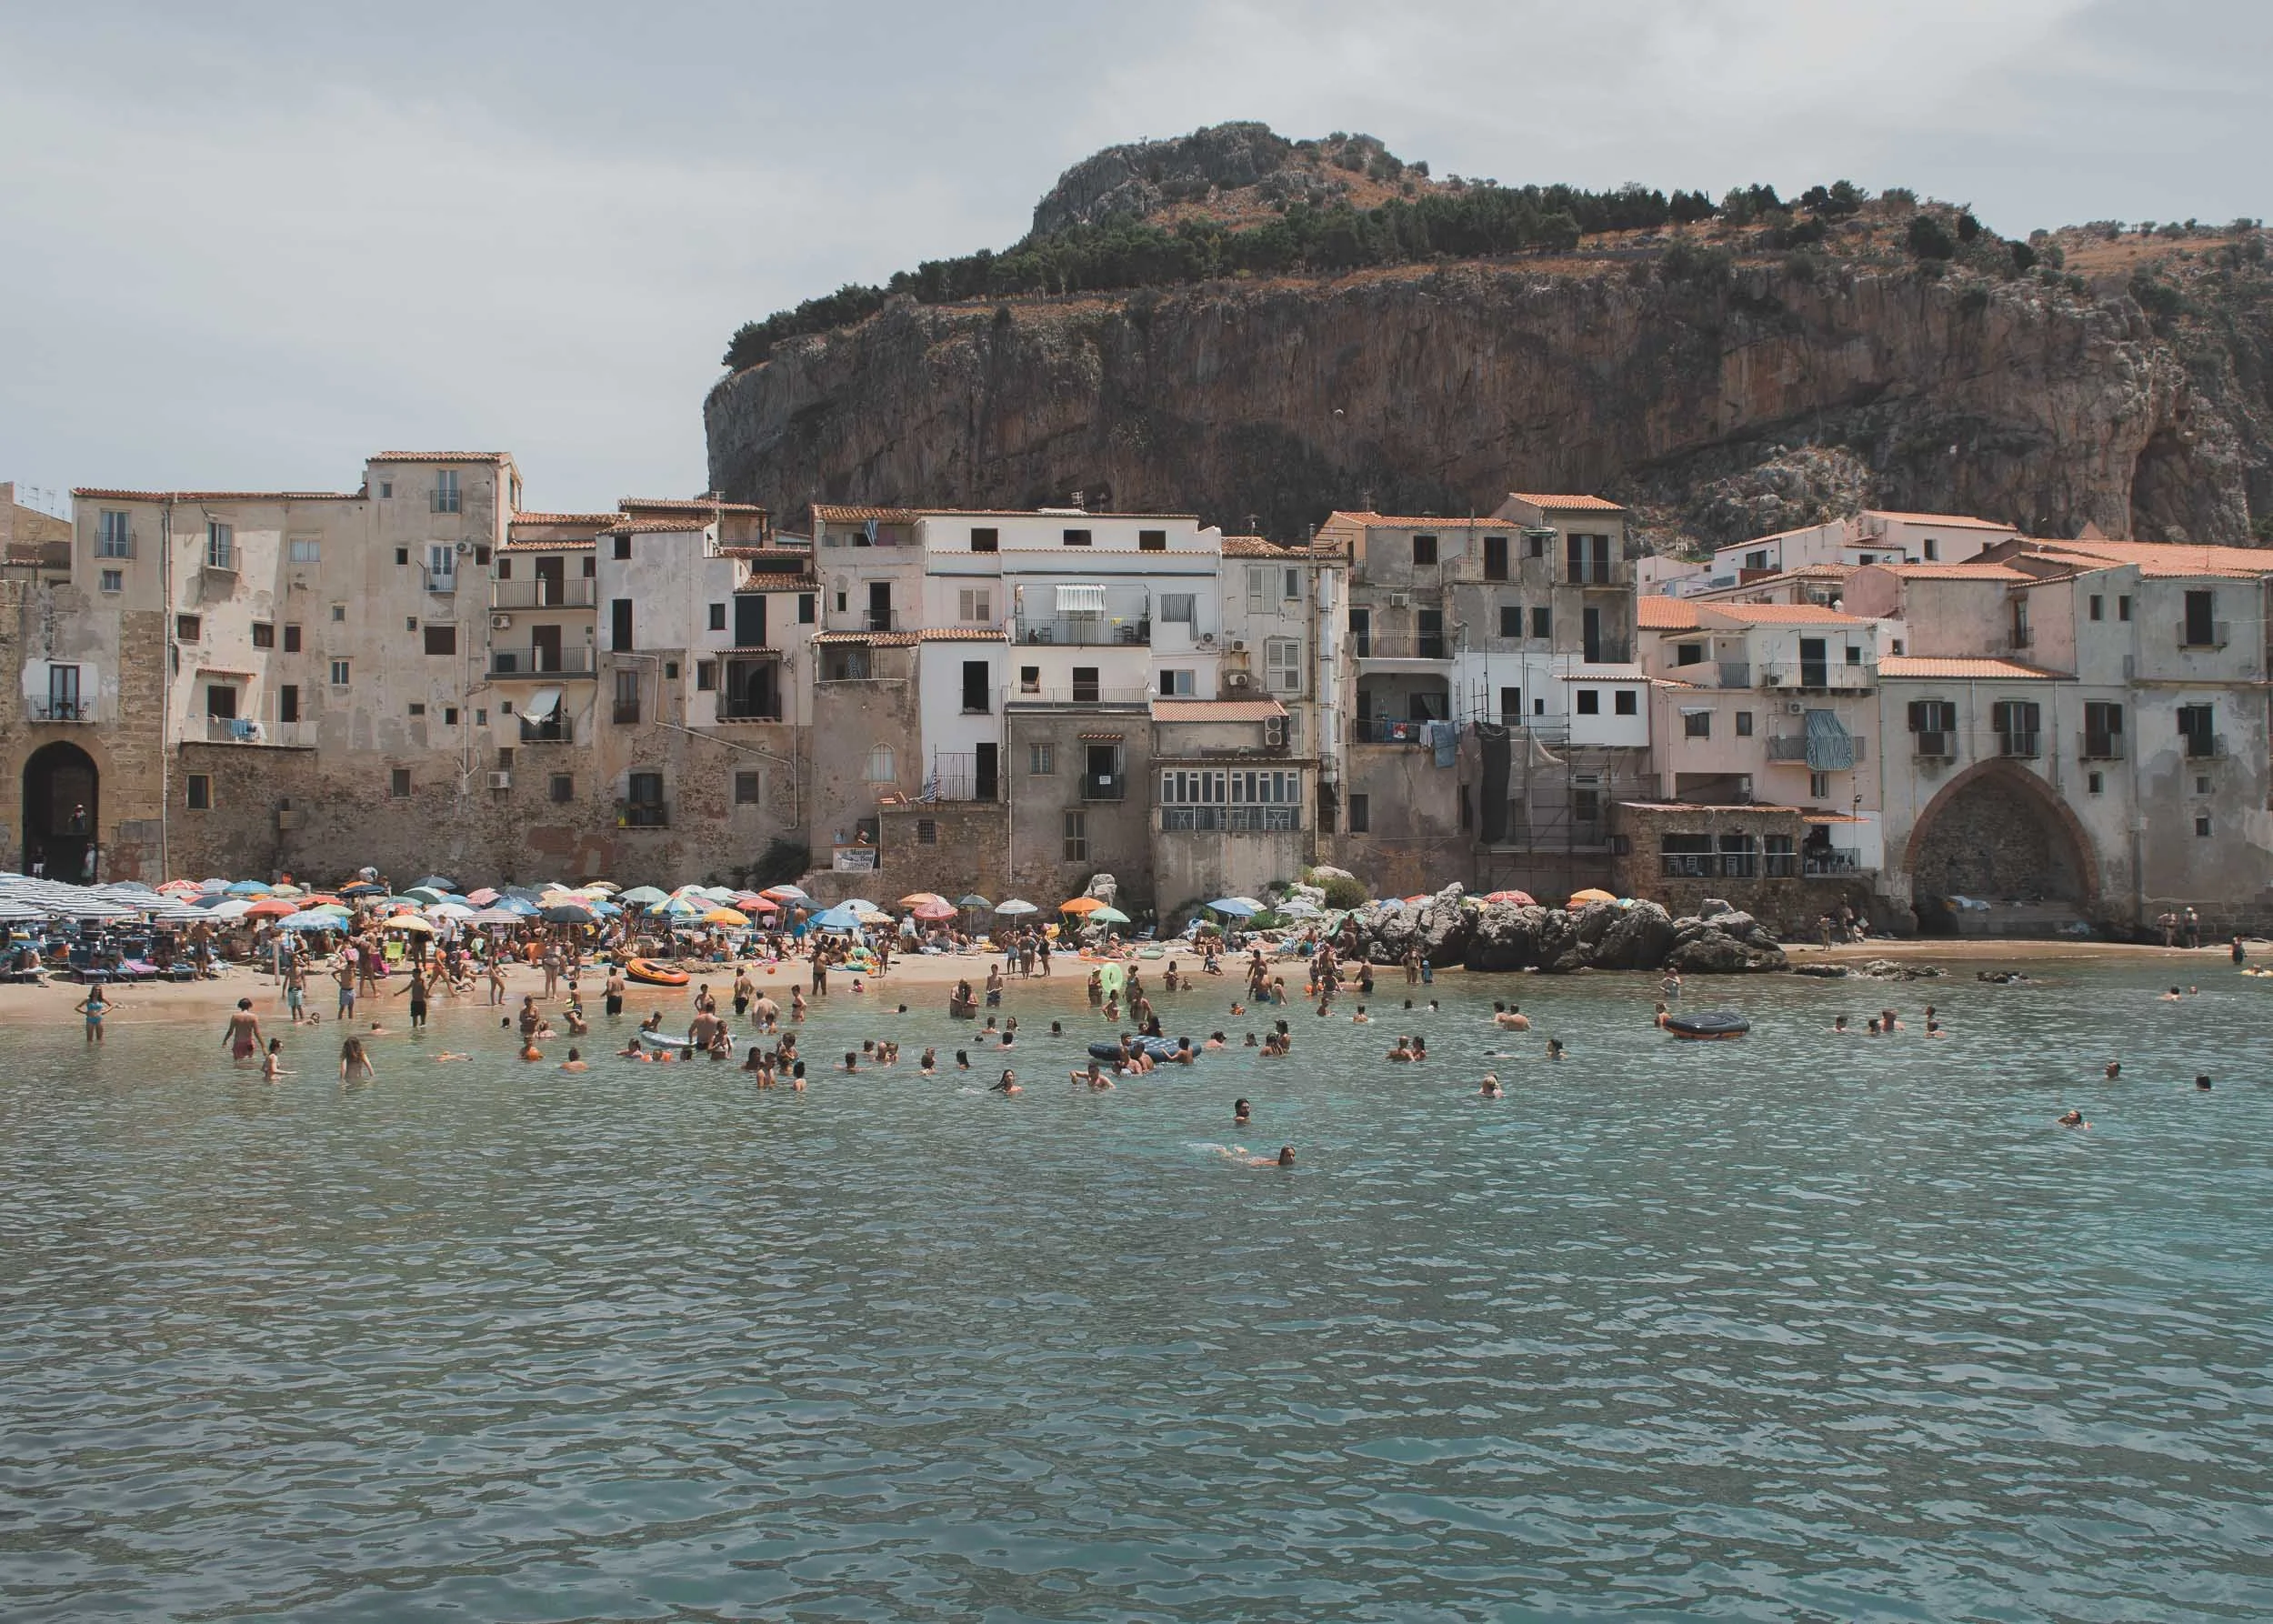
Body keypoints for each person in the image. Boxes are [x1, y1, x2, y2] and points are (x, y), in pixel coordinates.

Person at [224, 997, 265, 1063]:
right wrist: (263, 1046)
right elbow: (257, 1033)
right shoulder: (254, 1016)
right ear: (250, 1006)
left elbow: (230, 1031)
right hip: (249, 1043)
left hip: (238, 1043)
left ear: (239, 1006)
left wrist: (225, 1040)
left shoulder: (235, 1016)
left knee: (237, 1063)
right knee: (249, 1062)